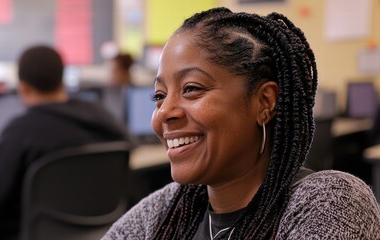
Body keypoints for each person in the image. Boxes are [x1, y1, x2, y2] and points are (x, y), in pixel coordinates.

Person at [103, 7, 380, 239]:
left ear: (264, 102)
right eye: (159, 96)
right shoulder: (166, 209)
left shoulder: (330, 202)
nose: (164, 112)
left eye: (191, 88)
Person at [0, 46, 131, 239]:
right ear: (62, 80)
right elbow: (130, 148)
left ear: (23, 87)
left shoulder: (22, 129)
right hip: (101, 232)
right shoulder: (101, 115)